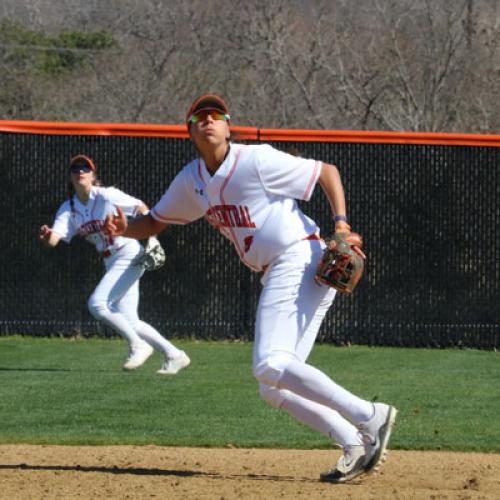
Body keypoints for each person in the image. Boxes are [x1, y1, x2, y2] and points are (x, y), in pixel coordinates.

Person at [104, 94, 397, 483]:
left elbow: (326, 171)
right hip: (282, 269)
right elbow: (155, 221)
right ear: (189, 131)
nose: (209, 121)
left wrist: (341, 225)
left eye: (216, 116)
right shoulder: (192, 181)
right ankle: (355, 443)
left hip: (298, 256)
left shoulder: (256, 160)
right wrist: (123, 227)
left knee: (269, 364)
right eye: (200, 117)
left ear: (228, 127)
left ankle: (370, 415)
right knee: (272, 386)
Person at [39, 154, 190, 375]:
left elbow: (140, 207)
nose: (80, 172)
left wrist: (152, 237)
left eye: (85, 168)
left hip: (129, 253)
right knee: (130, 320)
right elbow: (55, 238)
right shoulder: (68, 208)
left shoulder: (107, 195)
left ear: (93, 175)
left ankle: (138, 345)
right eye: (75, 169)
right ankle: (175, 355)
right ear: (70, 177)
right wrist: (47, 238)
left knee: (97, 304)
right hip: (111, 260)